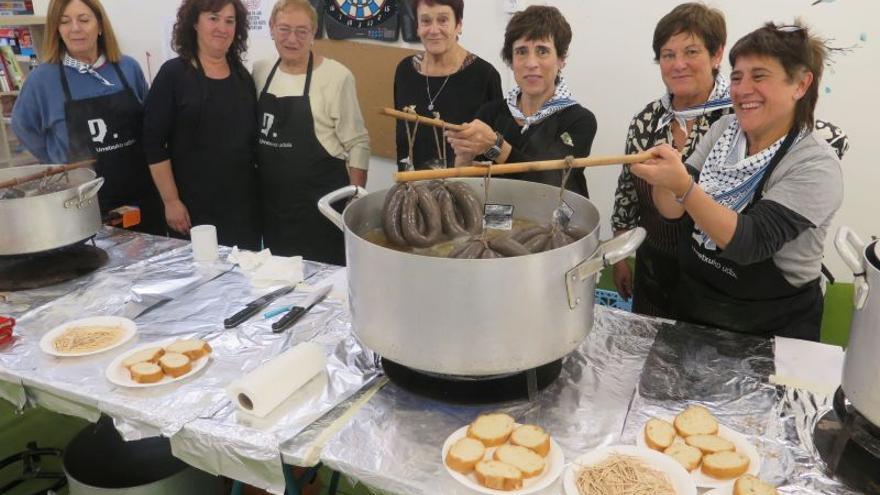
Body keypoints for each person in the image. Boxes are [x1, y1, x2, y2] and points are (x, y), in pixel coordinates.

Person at [630, 21, 843, 341]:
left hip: (771, 328)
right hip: (697, 308)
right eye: (737, 77)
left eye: (759, 76)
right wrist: (666, 178)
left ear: (800, 85)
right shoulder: (724, 131)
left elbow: (750, 243)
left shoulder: (814, 165)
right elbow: (671, 211)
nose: (742, 89)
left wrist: (685, 188)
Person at [610, 3, 731, 318]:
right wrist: (620, 255)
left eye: (691, 52)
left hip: (717, 282)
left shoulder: (737, 118)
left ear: (716, 55)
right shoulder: (646, 121)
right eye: (668, 55)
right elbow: (627, 194)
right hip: (654, 271)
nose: (679, 65)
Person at [12, 0, 164, 235]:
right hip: (82, 204)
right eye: (65, 22)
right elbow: (24, 128)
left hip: (141, 197)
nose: (75, 28)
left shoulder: (128, 68)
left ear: (100, 26)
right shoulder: (42, 80)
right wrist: (59, 160)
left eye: (83, 20)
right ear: (56, 29)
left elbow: (149, 125)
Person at [253, 0, 369, 265]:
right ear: (271, 28)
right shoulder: (260, 71)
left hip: (322, 210)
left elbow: (359, 143)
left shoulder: (337, 76)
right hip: (274, 209)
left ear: (313, 34)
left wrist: (354, 202)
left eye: (301, 31)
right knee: (278, 277)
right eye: (284, 29)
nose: (292, 39)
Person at [143, 0, 261, 249]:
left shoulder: (242, 76)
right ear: (195, 23)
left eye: (230, 21)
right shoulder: (173, 75)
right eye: (213, 18)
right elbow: (153, 143)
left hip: (242, 209)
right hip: (191, 210)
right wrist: (171, 201)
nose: (222, 28)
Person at [446, 5, 596, 197]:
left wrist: (496, 146)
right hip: (496, 224)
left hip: (553, 223)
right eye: (521, 51)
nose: (531, 63)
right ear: (511, 60)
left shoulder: (579, 121)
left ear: (561, 59)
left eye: (542, 51)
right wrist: (463, 160)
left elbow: (550, 182)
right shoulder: (490, 113)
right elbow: (470, 190)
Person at [393, 0, 501, 171]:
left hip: (467, 190)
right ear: (417, 27)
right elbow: (402, 143)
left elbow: (496, 149)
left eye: (443, 20)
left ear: (458, 25)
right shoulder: (404, 71)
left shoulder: (485, 75)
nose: (434, 30)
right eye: (426, 21)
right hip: (414, 189)